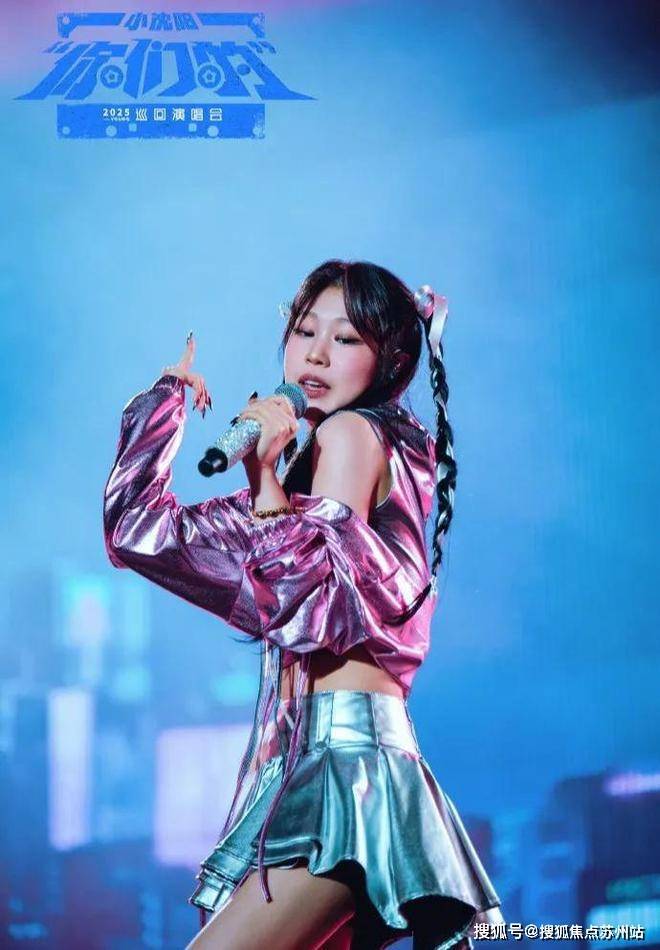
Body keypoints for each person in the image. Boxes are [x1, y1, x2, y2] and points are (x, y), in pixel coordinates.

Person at [103, 260, 505, 949]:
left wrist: (264, 482)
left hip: (349, 776)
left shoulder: (350, 436)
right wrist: (169, 401)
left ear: (391, 359)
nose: (316, 354)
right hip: (318, 770)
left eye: (345, 338)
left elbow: (319, 601)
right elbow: (139, 533)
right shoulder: (320, 473)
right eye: (304, 330)